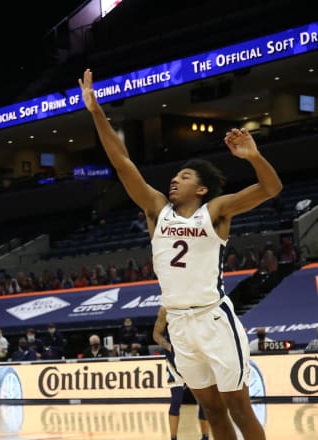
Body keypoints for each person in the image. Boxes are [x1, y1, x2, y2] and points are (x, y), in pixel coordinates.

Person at [80, 67, 282, 440]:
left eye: (185, 176)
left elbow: (271, 187)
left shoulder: (216, 211)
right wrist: (96, 112)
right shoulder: (156, 209)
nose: (175, 179)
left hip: (213, 320)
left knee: (239, 407)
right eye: (175, 175)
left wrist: (253, 156)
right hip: (179, 324)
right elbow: (122, 162)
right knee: (212, 412)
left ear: (202, 189)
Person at [153, 307, 210, 440]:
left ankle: (205, 437)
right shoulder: (165, 309)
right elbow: (156, 334)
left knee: (203, 401)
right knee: (176, 400)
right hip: (174, 361)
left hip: (195, 359)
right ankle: (173, 437)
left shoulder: (196, 305)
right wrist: (166, 345)